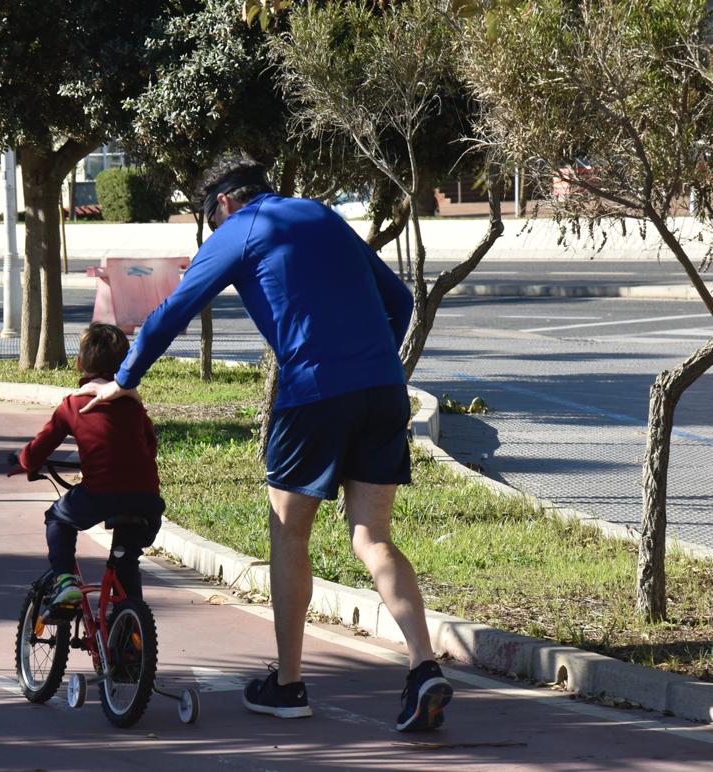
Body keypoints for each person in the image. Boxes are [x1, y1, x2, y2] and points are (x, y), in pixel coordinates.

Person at [77, 154, 452, 731]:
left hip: (313, 395)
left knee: (289, 532)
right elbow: (399, 303)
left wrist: (123, 381)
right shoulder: (320, 215)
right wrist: (372, 362)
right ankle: (423, 667)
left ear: (223, 204)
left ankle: (289, 683)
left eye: (210, 223)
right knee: (373, 537)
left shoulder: (241, 230)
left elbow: (173, 310)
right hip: (382, 389)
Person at [18, 322, 165, 619]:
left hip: (101, 494)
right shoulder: (134, 405)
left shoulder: (72, 405)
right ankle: (130, 634)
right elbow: (151, 445)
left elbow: (38, 450)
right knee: (126, 562)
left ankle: (65, 581)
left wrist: (24, 462)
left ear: (79, 363)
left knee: (58, 518)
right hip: (147, 500)